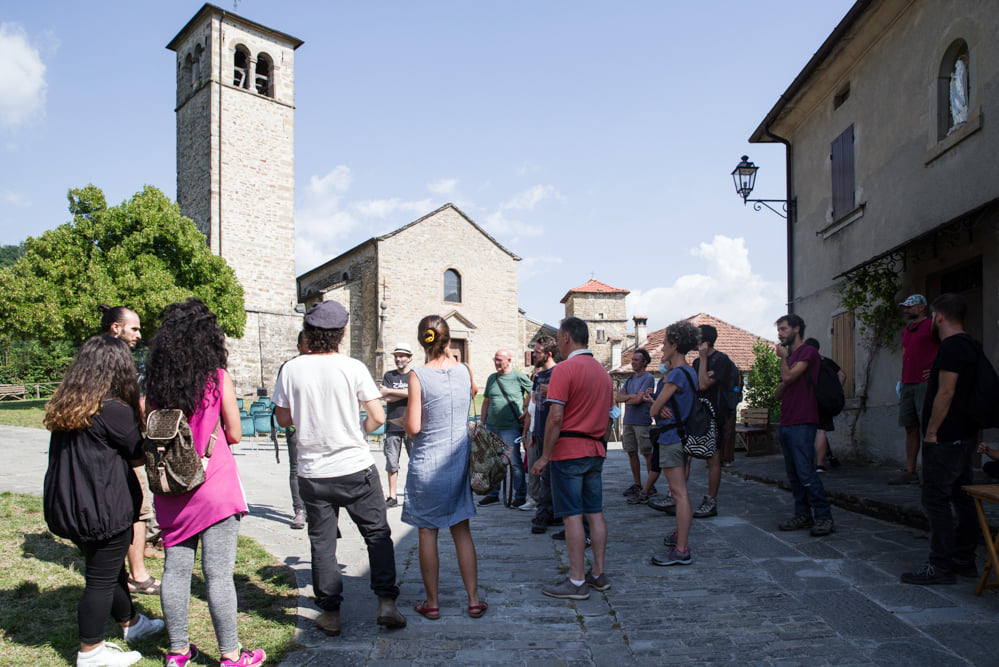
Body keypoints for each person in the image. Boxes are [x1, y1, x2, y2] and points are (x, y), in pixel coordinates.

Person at [273, 300, 405, 637]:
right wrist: (355, 431)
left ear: (310, 333)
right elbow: (377, 417)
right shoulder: (353, 367)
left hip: (312, 472)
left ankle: (330, 613)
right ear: (340, 334)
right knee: (376, 534)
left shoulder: (291, 369)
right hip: (354, 467)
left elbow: (284, 418)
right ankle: (386, 604)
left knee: (322, 542)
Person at [144, 298, 265, 667]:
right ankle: (230, 655)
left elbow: (147, 431)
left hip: (171, 491)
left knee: (175, 571)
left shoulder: (153, 385)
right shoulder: (217, 379)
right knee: (218, 575)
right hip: (214, 487)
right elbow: (236, 432)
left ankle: (178, 652)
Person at [43, 335, 164, 667]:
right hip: (102, 508)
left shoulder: (69, 403)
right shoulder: (112, 409)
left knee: (108, 571)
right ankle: (91, 651)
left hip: (70, 504)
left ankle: (132, 624)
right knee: (100, 580)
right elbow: (138, 455)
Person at [403, 315, 486, 619]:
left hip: (428, 463)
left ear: (421, 341)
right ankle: (474, 599)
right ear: (449, 340)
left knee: (428, 531)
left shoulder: (418, 375)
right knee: (461, 530)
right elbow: (473, 393)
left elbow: (413, 425)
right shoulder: (465, 370)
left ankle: (433, 602)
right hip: (458, 461)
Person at [901, 293, 980, 585]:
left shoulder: (951, 347)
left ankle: (941, 566)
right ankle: (964, 560)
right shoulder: (972, 345)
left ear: (939, 317)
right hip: (964, 436)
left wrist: (932, 432)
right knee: (962, 497)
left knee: (935, 499)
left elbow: (945, 393)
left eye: (933, 317)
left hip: (947, 436)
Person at [531, 317, 612, 599]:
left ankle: (577, 580)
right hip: (596, 450)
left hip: (569, 452)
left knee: (572, 517)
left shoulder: (564, 370)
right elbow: (609, 416)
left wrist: (544, 456)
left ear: (565, 338)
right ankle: (598, 573)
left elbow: (555, 417)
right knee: (595, 513)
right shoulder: (604, 373)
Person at [98, 305, 161, 596]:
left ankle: (129, 567)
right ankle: (137, 575)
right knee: (138, 510)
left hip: (107, 448)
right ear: (115, 327)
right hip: (122, 446)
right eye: (134, 328)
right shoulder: (115, 360)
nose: (139, 334)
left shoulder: (97, 355)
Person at [773, 314, 835, 537]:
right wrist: (785, 374)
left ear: (797, 329)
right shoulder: (792, 357)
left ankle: (824, 516)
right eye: (779, 330)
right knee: (794, 474)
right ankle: (803, 514)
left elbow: (788, 379)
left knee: (806, 473)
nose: (780, 334)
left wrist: (783, 360)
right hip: (787, 420)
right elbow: (778, 393)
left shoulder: (808, 352)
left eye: (783, 329)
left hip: (803, 420)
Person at [647, 320, 701, 566]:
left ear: (675, 345)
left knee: (679, 494)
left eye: (666, 343)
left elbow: (655, 409)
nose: (662, 349)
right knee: (682, 492)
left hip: (671, 437)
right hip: (684, 435)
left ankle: (681, 549)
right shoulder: (690, 372)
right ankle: (680, 536)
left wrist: (658, 407)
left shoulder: (676, 374)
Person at [690, 324, 739, 518]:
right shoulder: (695, 362)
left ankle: (711, 500)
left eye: (697, 337)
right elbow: (698, 384)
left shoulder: (721, 360)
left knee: (713, 457)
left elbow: (702, 384)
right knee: (688, 455)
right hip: (698, 414)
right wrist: (702, 369)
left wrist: (703, 360)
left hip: (715, 415)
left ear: (705, 341)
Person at [891, 294, 938, 485]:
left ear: (922, 307)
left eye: (910, 307)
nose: (906, 310)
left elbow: (945, 347)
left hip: (924, 383)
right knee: (910, 427)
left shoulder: (932, 325)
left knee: (928, 426)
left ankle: (932, 471)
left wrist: (936, 369)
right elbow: (905, 354)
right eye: (905, 307)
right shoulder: (906, 330)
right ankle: (910, 471)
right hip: (907, 383)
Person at [478, 348, 533, 506]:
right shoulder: (492, 379)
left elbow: (535, 392)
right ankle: (494, 493)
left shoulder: (518, 377)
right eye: (495, 359)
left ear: (509, 361)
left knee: (515, 462)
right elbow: (486, 401)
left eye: (500, 360)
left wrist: (528, 409)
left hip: (510, 427)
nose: (496, 363)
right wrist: (483, 424)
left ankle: (520, 495)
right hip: (492, 426)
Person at [523, 335, 560, 532]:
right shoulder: (537, 377)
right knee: (537, 473)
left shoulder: (559, 373)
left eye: (537, 352)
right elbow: (534, 406)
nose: (533, 355)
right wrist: (532, 432)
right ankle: (547, 510)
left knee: (549, 474)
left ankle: (545, 513)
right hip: (538, 431)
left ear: (548, 354)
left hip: (552, 431)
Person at [275, 332, 309, 530]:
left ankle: (316, 508)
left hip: (318, 426)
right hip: (296, 426)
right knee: (296, 468)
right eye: (306, 345)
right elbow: (281, 402)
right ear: (299, 347)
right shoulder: (289, 368)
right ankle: (300, 509)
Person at [802, 338, 846, 472]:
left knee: (809, 431)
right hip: (828, 401)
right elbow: (842, 376)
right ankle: (820, 465)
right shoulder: (828, 362)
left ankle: (812, 463)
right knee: (822, 431)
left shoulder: (807, 364)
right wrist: (835, 391)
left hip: (813, 400)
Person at [616, 349, 656, 498]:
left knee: (646, 452)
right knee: (631, 452)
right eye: (632, 360)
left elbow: (639, 400)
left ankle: (651, 485)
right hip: (629, 420)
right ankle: (637, 484)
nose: (633, 362)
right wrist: (632, 397)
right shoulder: (630, 379)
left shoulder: (648, 378)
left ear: (644, 362)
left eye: (636, 360)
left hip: (642, 421)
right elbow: (618, 398)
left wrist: (629, 398)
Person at [380, 343, 414, 508]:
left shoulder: (414, 375)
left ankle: (413, 494)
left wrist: (391, 392)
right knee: (392, 462)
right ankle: (392, 496)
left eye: (402, 356)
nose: (398, 359)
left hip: (410, 424)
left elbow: (415, 394)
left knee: (414, 461)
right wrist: (406, 394)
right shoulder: (389, 375)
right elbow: (385, 397)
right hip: (393, 424)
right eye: (396, 356)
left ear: (410, 358)